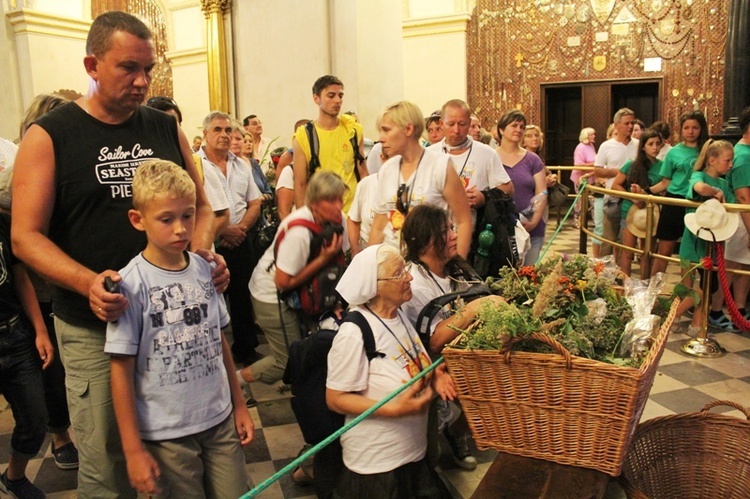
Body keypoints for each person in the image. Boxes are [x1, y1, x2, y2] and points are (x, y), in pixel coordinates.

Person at [11, 12, 226, 497]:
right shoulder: (50, 136)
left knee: (172, 455)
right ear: (92, 63)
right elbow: (25, 237)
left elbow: (204, 207)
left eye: (148, 69)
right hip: (95, 328)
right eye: (129, 67)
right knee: (108, 463)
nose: (143, 81)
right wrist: (88, 281)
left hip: (171, 326)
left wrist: (203, 253)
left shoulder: (162, 127)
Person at [106, 160, 252, 497]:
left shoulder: (205, 269)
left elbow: (219, 342)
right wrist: (132, 450)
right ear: (137, 219)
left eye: (187, 216)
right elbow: (121, 369)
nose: (180, 230)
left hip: (218, 419)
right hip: (166, 433)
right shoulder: (130, 283)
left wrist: (239, 404)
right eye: (167, 219)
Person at [327, 243, 456, 498]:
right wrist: (394, 409)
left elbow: (415, 364)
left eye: (405, 269)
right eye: (399, 274)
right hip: (378, 466)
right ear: (374, 286)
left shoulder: (399, 317)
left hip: (412, 454)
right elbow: (335, 399)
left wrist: (435, 376)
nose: (409, 277)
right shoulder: (354, 333)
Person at [0, 93, 80, 471]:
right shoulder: (11, 184)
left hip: (69, 282)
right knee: (51, 368)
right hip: (35, 290)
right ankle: (60, 432)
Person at [400, 205, 504, 471]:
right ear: (426, 239)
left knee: (496, 388)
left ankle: (457, 432)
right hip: (430, 365)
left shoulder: (455, 270)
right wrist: (474, 309)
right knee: (428, 456)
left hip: (464, 356)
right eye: (445, 230)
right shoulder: (416, 281)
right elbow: (434, 340)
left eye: (451, 227)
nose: (454, 234)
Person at [241, 171, 349, 388]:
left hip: (302, 293)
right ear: (314, 204)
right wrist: (323, 258)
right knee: (288, 361)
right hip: (272, 295)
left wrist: (337, 302)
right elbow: (283, 283)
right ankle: (234, 383)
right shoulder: (299, 231)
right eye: (331, 200)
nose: (338, 206)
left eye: (340, 198)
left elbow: (340, 263)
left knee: (306, 350)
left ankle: (305, 388)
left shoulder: (340, 221)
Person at [198, 112, 263, 364]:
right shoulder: (197, 164)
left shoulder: (240, 164)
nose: (224, 135)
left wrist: (240, 229)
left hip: (240, 238)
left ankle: (245, 348)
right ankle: (213, 353)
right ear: (205, 134)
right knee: (211, 296)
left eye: (227, 130)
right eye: (217, 130)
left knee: (242, 296)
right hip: (211, 241)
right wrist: (223, 230)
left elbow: (254, 202)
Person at [0, 193, 54, 499]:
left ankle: (14, 476)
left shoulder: (4, 224)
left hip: (14, 334)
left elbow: (21, 280)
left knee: (34, 417)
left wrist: (39, 330)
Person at [367, 101, 472, 257]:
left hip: (433, 265)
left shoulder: (440, 166)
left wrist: (457, 268)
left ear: (408, 129)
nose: (381, 138)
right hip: (395, 267)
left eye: (386, 130)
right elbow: (378, 226)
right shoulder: (387, 169)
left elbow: (464, 221)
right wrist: (370, 268)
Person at [676, 140, 737, 335]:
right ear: (712, 160)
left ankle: (696, 322)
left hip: (713, 242)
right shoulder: (699, 175)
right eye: (727, 160)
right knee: (687, 285)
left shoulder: (725, 184)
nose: (730, 165)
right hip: (693, 240)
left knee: (707, 285)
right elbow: (700, 188)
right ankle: (672, 315)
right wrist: (714, 193)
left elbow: (731, 206)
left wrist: (722, 196)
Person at [427, 100, 513, 224]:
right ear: (441, 123)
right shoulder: (429, 154)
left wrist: (484, 196)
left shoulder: (487, 153)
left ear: (468, 123)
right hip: (437, 230)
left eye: (462, 124)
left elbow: (508, 188)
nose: (456, 130)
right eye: (451, 124)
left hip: (475, 231)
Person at [293, 75, 366, 212]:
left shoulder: (353, 130)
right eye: (331, 96)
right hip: (322, 214)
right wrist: (303, 221)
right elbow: (300, 184)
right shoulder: (304, 136)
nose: (338, 100)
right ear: (316, 98)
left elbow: (363, 173)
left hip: (353, 212)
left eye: (340, 96)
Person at [650, 110, 709, 276]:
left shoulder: (707, 149)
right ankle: (653, 290)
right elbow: (665, 182)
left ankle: (689, 292)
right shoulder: (674, 152)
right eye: (686, 127)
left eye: (695, 127)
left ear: (701, 129)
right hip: (675, 201)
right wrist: (647, 191)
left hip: (698, 202)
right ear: (681, 129)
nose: (690, 131)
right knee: (664, 249)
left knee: (693, 251)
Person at [495, 109, 547, 265]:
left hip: (531, 227)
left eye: (522, 127)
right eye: (514, 125)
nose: (519, 130)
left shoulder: (532, 159)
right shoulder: (491, 157)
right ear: (502, 129)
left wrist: (533, 220)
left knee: (528, 276)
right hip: (501, 228)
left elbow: (541, 192)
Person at [611, 129, 663, 277]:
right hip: (630, 211)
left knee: (647, 253)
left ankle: (644, 285)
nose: (655, 147)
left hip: (651, 212)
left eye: (658, 144)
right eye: (651, 144)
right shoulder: (631, 165)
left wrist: (647, 194)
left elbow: (664, 188)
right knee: (627, 251)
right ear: (643, 147)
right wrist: (632, 197)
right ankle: (625, 285)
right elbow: (616, 185)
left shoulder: (662, 166)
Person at [593, 108, 639, 257]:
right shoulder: (606, 146)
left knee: (625, 240)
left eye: (632, 123)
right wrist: (620, 172)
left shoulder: (638, 145)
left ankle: (621, 273)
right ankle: (603, 272)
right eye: (626, 123)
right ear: (616, 125)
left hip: (633, 198)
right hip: (613, 198)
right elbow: (598, 171)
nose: (630, 126)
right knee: (609, 238)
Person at [725, 106, 750, 323]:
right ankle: (717, 311)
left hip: (745, 219)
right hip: (742, 220)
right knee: (732, 268)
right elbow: (743, 197)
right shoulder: (743, 156)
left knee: (745, 266)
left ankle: (739, 310)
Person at [572, 127, 597, 232]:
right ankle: (577, 221)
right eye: (592, 134)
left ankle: (596, 221)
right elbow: (578, 164)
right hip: (580, 178)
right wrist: (594, 164)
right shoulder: (580, 147)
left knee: (592, 200)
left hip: (591, 177)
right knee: (580, 201)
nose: (594, 136)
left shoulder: (591, 146)